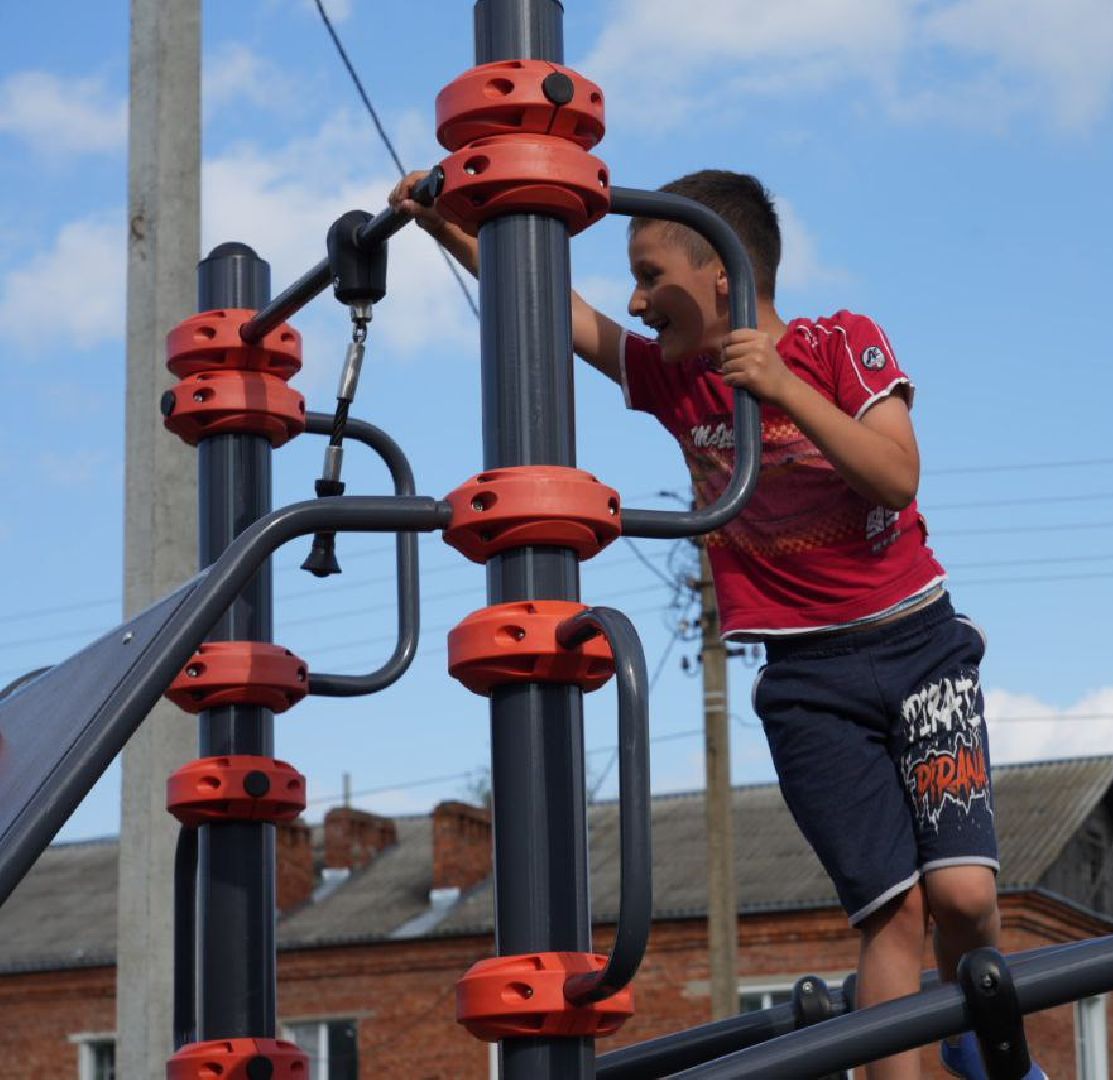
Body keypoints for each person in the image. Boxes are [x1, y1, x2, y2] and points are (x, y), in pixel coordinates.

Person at [390, 168, 1043, 1080]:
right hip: (807, 680)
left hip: (916, 644)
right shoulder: (676, 380)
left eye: (653, 274)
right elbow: (565, 315)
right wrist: (446, 228)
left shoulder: (836, 343)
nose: (638, 297)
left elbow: (896, 477)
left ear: (723, 271)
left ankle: (982, 1040)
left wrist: (781, 388)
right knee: (893, 912)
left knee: (964, 897)